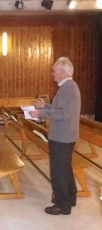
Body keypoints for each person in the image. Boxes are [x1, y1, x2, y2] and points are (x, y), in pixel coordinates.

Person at [30, 57, 81, 215]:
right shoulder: (68, 87)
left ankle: (62, 205)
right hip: (66, 135)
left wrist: (41, 113)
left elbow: (63, 113)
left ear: (63, 71)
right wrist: (44, 106)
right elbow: (60, 108)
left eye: (54, 70)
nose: (53, 73)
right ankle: (70, 198)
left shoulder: (68, 88)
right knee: (65, 168)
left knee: (58, 171)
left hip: (62, 136)